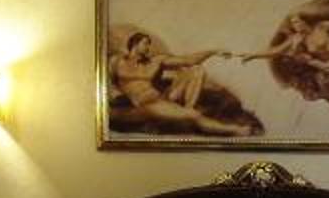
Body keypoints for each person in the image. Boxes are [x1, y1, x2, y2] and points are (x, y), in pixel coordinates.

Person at [108, 28, 261, 137]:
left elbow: (188, 60)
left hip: (160, 99)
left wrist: (213, 52)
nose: (148, 47)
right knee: (193, 116)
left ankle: (194, 112)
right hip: (144, 104)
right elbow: (110, 83)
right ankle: (235, 130)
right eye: (145, 43)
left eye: (149, 44)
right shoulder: (117, 62)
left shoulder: (155, 61)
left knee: (196, 70)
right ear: (135, 44)